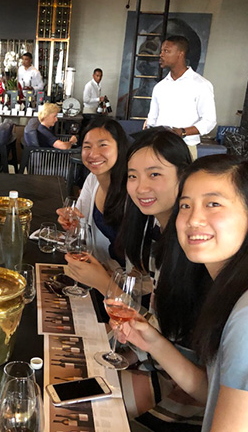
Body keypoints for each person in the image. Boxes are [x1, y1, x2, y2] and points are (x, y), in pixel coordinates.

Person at [120, 155, 248, 431]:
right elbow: (209, 390)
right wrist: (152, 341)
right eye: (186, 206)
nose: (193, 219)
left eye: (213, 204)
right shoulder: (233, 290)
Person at [65, 130, 202, 427]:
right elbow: (150, 325)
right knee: (68, 372)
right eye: (133, 176)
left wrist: (104, 284)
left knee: (75, 411)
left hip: (181, 386)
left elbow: (169, 340)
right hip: (151, 358)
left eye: (155, 174)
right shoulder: (151, 234)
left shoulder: (194, 250)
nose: (141, 187)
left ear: (184, 176)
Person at [56, 117, 129, 265]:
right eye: (87, 146)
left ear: (119, 148)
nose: (93, 154)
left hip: (124, 283)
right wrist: (70, 222)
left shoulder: (133, 189)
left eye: (103, 145)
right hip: (94, 272)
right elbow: (79, 224)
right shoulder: (92, 179)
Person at [146, 35, 217, 160]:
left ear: (180, 54)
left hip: (185, 148)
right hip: (158, 147)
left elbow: (209, 121)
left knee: (183, 180)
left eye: (166, 51)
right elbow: (152, 119)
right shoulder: (160, 87)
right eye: (161, 51)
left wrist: (183, 132)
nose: (161, 55)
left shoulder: (201, 85)